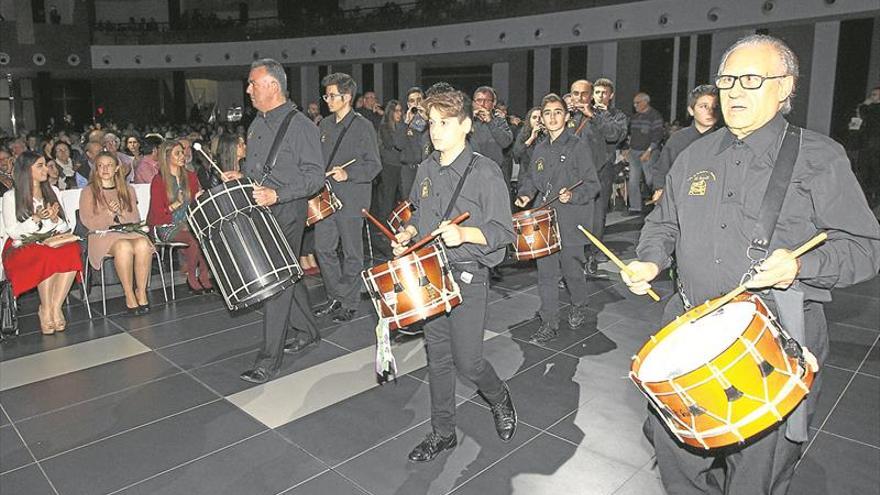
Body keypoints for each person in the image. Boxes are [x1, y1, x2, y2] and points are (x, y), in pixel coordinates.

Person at [622, 34, 880, 495]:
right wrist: (649, 261)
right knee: (673, 454)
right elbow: (664, 224)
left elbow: (865, 246)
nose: (735, 91)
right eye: (726, 80)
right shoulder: (693, 156)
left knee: (757, 473)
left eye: (752, 79)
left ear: (785, 89)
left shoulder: (818, 156)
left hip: (774, 335)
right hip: (691, 322)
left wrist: (801, 266)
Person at [391, 88, 517, 463]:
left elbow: (503, 233)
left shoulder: (485, 171)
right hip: (432, 274)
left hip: (468, 275)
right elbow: (419, 214)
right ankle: (442, 431)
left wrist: (464, 234)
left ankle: (498, 396)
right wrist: (409, 234)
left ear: (465, 125)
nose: (436, 130)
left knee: (469, 362)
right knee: (438, 360)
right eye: (432, 122)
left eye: (444, 123)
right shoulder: (426, 168)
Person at [222, 58, 324, 384]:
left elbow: (315, 178)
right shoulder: (256, 124)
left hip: (287, 209)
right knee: (287, 275)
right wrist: (241, 176)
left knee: (274, 282)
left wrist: (277, 195)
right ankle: (308, 330)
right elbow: (259, 172)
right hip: (261, 207)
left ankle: (268, 360)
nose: (248, 89)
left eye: (253, 83)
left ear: (273, 86)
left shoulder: (302, 126)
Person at [515, 94, 601, 343]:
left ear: (566, 116)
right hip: (545, 221)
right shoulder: (539, 148)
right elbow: (532, 179)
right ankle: (549, 322)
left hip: (571, 219)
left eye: (557, 112)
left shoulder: (578, 146)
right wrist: (525, 195)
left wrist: (573, 195)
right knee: (546, 274)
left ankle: (579, 303)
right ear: (541, 118)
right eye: (547, 113)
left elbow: (593, 184)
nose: (552, 117)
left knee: (572, 270)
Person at [312, 72, 382, 323]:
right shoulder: (324, 125)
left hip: (352, 199)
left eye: (332, 95)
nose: (327, 100)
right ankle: (337, 295)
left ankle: (349, 302)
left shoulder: (363, 126)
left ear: (347, 97)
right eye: (326, 95)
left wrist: (348, 173)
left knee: (352, 253)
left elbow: (374, 165)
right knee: (323, 249)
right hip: (326, 199)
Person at [2, 152, 83, 334]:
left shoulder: (52, 191)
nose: (46, 169)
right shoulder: (11, 196)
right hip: (22, 245)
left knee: (71, 249)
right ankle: (45, 307)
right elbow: (13, 232)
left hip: (52, 240)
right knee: (46, 254)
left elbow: (65, 226)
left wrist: (55, 219)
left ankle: (55, 307)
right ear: (26, 170)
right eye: (40, 166)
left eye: (45, 165)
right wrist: (35, 219)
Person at [80, 151, 154, 314]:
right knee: (123, 247)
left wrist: (120, 212)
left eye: (109, 165)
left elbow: (135, 218)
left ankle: (141, 291)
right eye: (100, 166)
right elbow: (87, 221)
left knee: (143, 244)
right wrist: (108, 214)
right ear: (96, 169)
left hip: (127, 231)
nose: (105, 169)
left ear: (116, 168)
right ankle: (128, 294)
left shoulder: (127, 189)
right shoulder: (88, 191)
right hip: (102, 235)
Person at [146, 140, 213, 293]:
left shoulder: (190, 176)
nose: (183, 156)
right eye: (178, 153)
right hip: (164, 226)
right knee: (195, 237)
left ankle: (203, 275)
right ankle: (192, 277)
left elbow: (195, 206)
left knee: (206, 234)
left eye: (183, 152)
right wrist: (176, 204)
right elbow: (157, 214)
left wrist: (198, 198)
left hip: (188, 224)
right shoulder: (159, 180)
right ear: (167, 157)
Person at [584, 77, 630, 274]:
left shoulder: (617, 116)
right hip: (581, 170)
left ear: (610, 95)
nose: (600, 96)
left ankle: (593, 253)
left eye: (604, 93)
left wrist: (598, 116)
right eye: (597, 92)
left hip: (602, 170)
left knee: (598, 214)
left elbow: (613, 135)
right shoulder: (584, 113)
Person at [652, 84, 719, 203]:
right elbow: (662, 169)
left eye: (714, 107)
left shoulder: (725, 139)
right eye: (703, 106)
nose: (709, 111)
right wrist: (659, 189)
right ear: (691, 110)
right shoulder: (678, 139)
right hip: (681, 200)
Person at [626, 91, 665, 213]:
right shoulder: (634, 117)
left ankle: (659, 203)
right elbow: (629, 134)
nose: (635, 105)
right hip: (634, 152)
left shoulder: (655, 116)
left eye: (637, 103)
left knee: (650, 179)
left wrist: (649, 151)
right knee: (633, 180)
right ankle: (635, 207)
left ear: (645, 102)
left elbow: (658, 136)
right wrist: (627, 148)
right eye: (634, 103)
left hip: (649, 152)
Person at [376, 99, 406, 225]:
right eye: (396, 111)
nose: (399, 114)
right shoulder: (385, 127)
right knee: (388, 197)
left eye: (400, 111)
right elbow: (391, 144)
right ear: (391, 112)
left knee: (405, 197)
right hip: (389, 165)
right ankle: (384, 226)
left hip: (403, 165)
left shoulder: (403, 126)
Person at [400, 87, 429, 200]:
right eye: (412, 101)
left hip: (426, 170)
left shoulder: (432, 121)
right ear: (408, 104)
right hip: (409, 171)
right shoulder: (403, 123)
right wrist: (406, 123)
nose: (416, 103)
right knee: (408, 206)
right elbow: (399, 144)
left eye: (419, 99)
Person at [511, 107, 544, 177]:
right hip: (526, 176)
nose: (537, 120)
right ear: (529, 120)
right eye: (534, 117)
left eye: (540, 117)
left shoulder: (548, 135)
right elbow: (516, 155)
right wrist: (531, 138)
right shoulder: (523, 134)